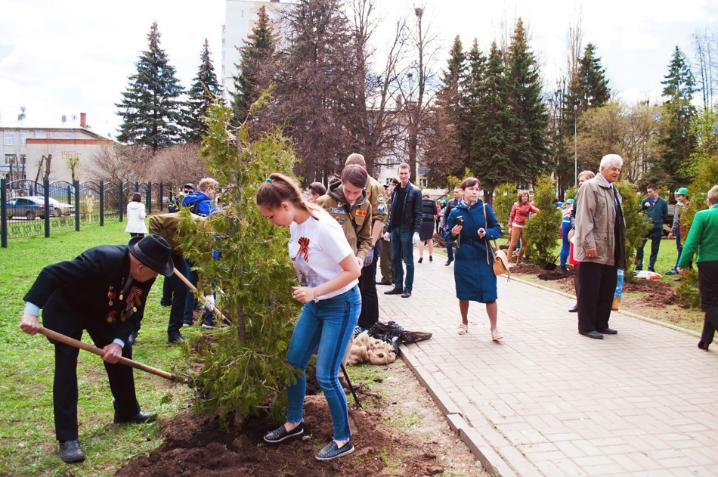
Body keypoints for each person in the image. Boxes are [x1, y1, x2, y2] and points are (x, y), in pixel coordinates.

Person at [19, 235, 173, 463]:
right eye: (155, 271)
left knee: (121, 353)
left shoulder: (145, 275)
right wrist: (30, 313)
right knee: (66, 364)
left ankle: (127, 411)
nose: (156, 276)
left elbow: (135, 312)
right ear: (141, 266)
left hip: (102, 312)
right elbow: (50, 273)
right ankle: (68, 438)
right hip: (67, 308)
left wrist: (118, 343)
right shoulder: (102, 259)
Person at [256, 173, 362, 461]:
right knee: (294, 362)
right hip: (316, 304)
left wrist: (314, 293)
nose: (271, 222)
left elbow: (353, 271)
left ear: (285, 206)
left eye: (270, 216)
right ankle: (294, 423)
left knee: (326, 375)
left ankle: (343, 439)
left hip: (341, 304)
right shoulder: (296, 224)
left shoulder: (323, 227)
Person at [574, 154, 626, 339]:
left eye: (619, 169)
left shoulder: (613, 190)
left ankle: (601, 323)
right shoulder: (590, 187)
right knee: (590, 289)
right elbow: (583, 219)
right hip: (594, 249)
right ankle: (586, 327)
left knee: (606, 288)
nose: (617, 172)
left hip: (611, 250)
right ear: (603, 168)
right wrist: (588, 244)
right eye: (613, 169)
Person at [444, 177, 502, 339]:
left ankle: (494, 329)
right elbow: (446, 235)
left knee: (490, 293)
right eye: (471, 189)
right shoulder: (455, 211)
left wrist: (487, 233)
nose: (475, 192)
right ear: (463, 191)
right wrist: (453, 234)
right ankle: (464, 322)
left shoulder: (485, 208)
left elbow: (497, 229)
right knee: (463, 293)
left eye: (477, 189)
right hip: (464, 257)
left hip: (484, 257)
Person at [344, 153, 387, 330]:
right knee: (353, 284)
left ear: (364, 169)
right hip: (351, 244)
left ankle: (370, 324)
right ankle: (355, 322)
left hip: (368, 243)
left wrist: (371, 245)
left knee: (367, 284)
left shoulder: (375, 187)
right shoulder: (347, 185)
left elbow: (380, 217)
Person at [677, 185, 718, 351]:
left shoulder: (703, 215)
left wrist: (682, 263)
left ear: (709, 201)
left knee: (709, 302)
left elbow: (691, 242)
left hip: (708, 263)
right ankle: (705, 340)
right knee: (716, 302)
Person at [181, 178, 219, 328]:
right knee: (211, 284)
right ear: (208, 188)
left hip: (190, 248)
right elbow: (209, 227)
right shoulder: (204, 204)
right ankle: (209, 320)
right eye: (214, 190)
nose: (214, 193)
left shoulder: (188, 202)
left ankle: (186, 319)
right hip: (205, 250)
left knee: (191, 284)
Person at [384, 163, 422, 298]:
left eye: (406, 173)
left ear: (410, 174)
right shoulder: (396, 190)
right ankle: (398, 286)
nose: (403, 176)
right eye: (401, 173)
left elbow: (418, 213)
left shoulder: (416, 191)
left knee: (408, 260)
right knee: (395, 259)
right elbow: (392, 212)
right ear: (398, 174)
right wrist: (388, 229)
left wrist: (416, 232)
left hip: (407, 230)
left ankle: (408, 288)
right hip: (395, 229)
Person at [567, 170, 596, 312]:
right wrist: (573, 227)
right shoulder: (578, 195)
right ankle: (579, 301)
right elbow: (573, 214)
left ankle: (589, 303)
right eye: (579, 182)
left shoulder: (595, 194)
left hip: (591, 239)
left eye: (583, 181)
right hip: (577, 237)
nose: (580, 184)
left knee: (588, 272)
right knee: (577, 271)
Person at [636, 184, 667, 272]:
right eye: (648, 192)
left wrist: (659, 222)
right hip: (646, 226)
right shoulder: (645, 200)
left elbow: (664, 214)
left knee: (655, 248)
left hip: (657, 227)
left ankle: (651, 267)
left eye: (650, 191)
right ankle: (639, 266)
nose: (648, 193)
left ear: (656, 191)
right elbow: (640, 211)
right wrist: (644, 207)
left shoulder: (663, 202)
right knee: (640, 246)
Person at [507, 191, 540, 264]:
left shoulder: (529, 205)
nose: (525, 197)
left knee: (524, 244)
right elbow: (511, 216)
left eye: (526, 196)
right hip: (516, 226)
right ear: (520, 197)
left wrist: (543, 212)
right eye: (523, 196)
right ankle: (507, 262)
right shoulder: (515, 205)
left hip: (525, 226)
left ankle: (519, 261)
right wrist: (510, 227)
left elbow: (537, 210)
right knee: (513, 244)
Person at [377, 180, 397, 286]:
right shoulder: (389, 200)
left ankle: (387, 278)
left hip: (387, 231)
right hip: (390, 231)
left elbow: (388, 217)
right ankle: (392, 277)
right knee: (390, 255)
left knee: (385, 256)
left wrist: (386, 230)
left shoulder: (390, 201)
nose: (387, 190)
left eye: (388, 188)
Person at [666, 187, 690, 275]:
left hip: (684, 231)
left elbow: (676, 220)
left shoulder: (681, 206)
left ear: (685, 196)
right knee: (683, 249)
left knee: (681, 249)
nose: (678, 197)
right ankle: (685, 268)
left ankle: (677, 268)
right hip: (683, 231)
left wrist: (672, 231)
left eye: (680, 196)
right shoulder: (687, 205)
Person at [441, 187, 463, 266]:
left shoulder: (465, 203)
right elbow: (445, 215)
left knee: (460, 243)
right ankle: (450, 258)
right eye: (454, 192)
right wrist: (444, 225)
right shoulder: (450, 202)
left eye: (457, 192)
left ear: (462, 192)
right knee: (448, 242)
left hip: (462, 227)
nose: (455, 194)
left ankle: (459, 259)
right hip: (451, 227)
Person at [417, 193, 437, 263]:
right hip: (430, 222)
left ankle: (421, 256)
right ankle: (430, 256)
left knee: (422, 239)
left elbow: (417, 211)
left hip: (422, 221)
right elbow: (435, 212)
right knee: (430, 238)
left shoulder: (419, 202)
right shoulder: (432, 202)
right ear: (429, 196)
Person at [559, 199, 574, 272]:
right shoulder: (575, 207)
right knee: (573, 245)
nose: (568, 205)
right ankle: (575, 265)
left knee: (565, 245)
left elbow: (561, 225)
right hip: (571, 223)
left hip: (564, 223)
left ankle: (562, 265)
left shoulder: (565, 211)